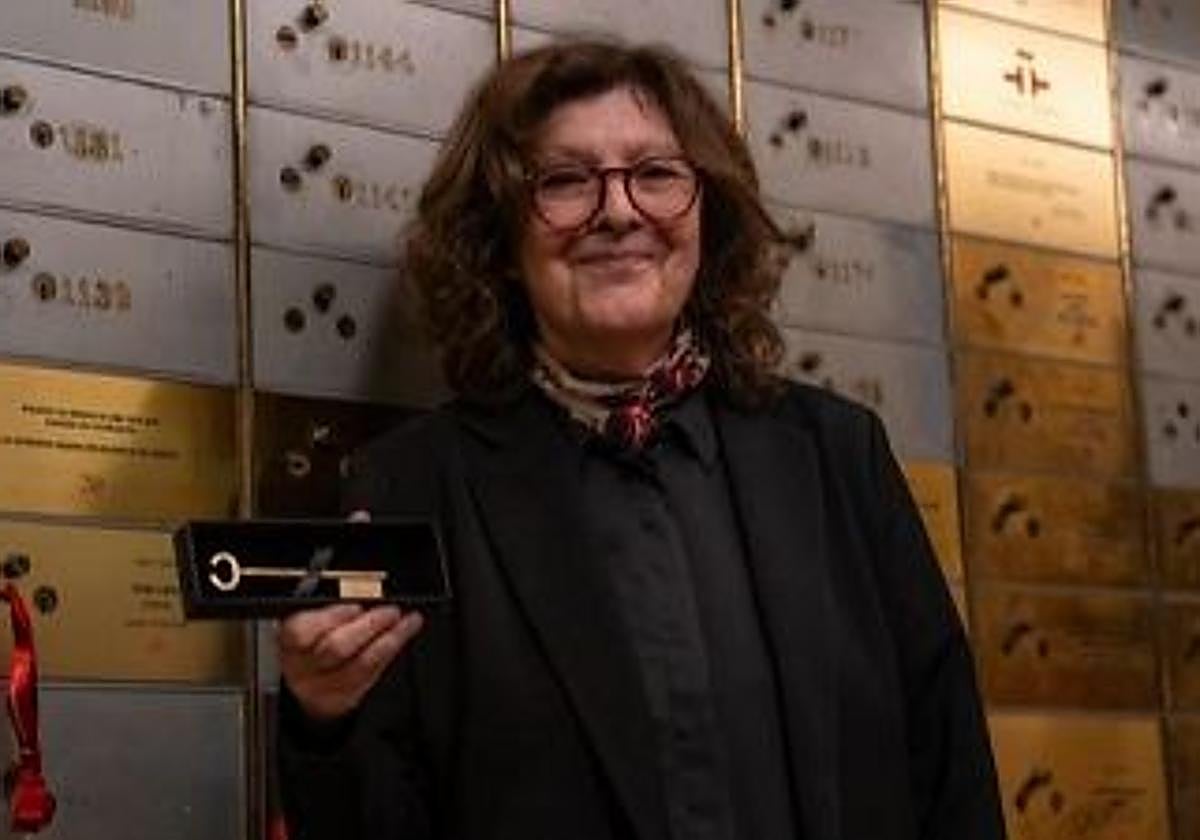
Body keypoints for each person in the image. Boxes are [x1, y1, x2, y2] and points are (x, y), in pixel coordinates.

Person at [275, 39, 1006, 840]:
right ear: (501, 241)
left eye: (656, 174)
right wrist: (325, 718)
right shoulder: (416, 486)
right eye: (565, 181)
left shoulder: (839, 456)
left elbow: (950, 770)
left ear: (707, 217)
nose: (619, 212)